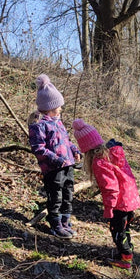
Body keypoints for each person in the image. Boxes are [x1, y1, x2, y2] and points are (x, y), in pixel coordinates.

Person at [72, 119, 140, 270]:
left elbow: (111, 188)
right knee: (124, 228)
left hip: (120, 203)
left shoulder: (99, 162)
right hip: (130, 199)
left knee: (117, 230)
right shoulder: (114, 153)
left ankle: (126, 258)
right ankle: (126, 253)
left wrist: (109, 208)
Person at [28, 74, 81, 238]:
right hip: (53, 169)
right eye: (58, 106)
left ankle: (65, 222)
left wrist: (74, 150)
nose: (61, 109)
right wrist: (57, 160)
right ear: (49, 108)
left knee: (68, 194)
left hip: (67, 166)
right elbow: (39, 148)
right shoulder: (39, 125)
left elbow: (66, 141)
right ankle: (55, 224)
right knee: (55, 196)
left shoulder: (58, 121)